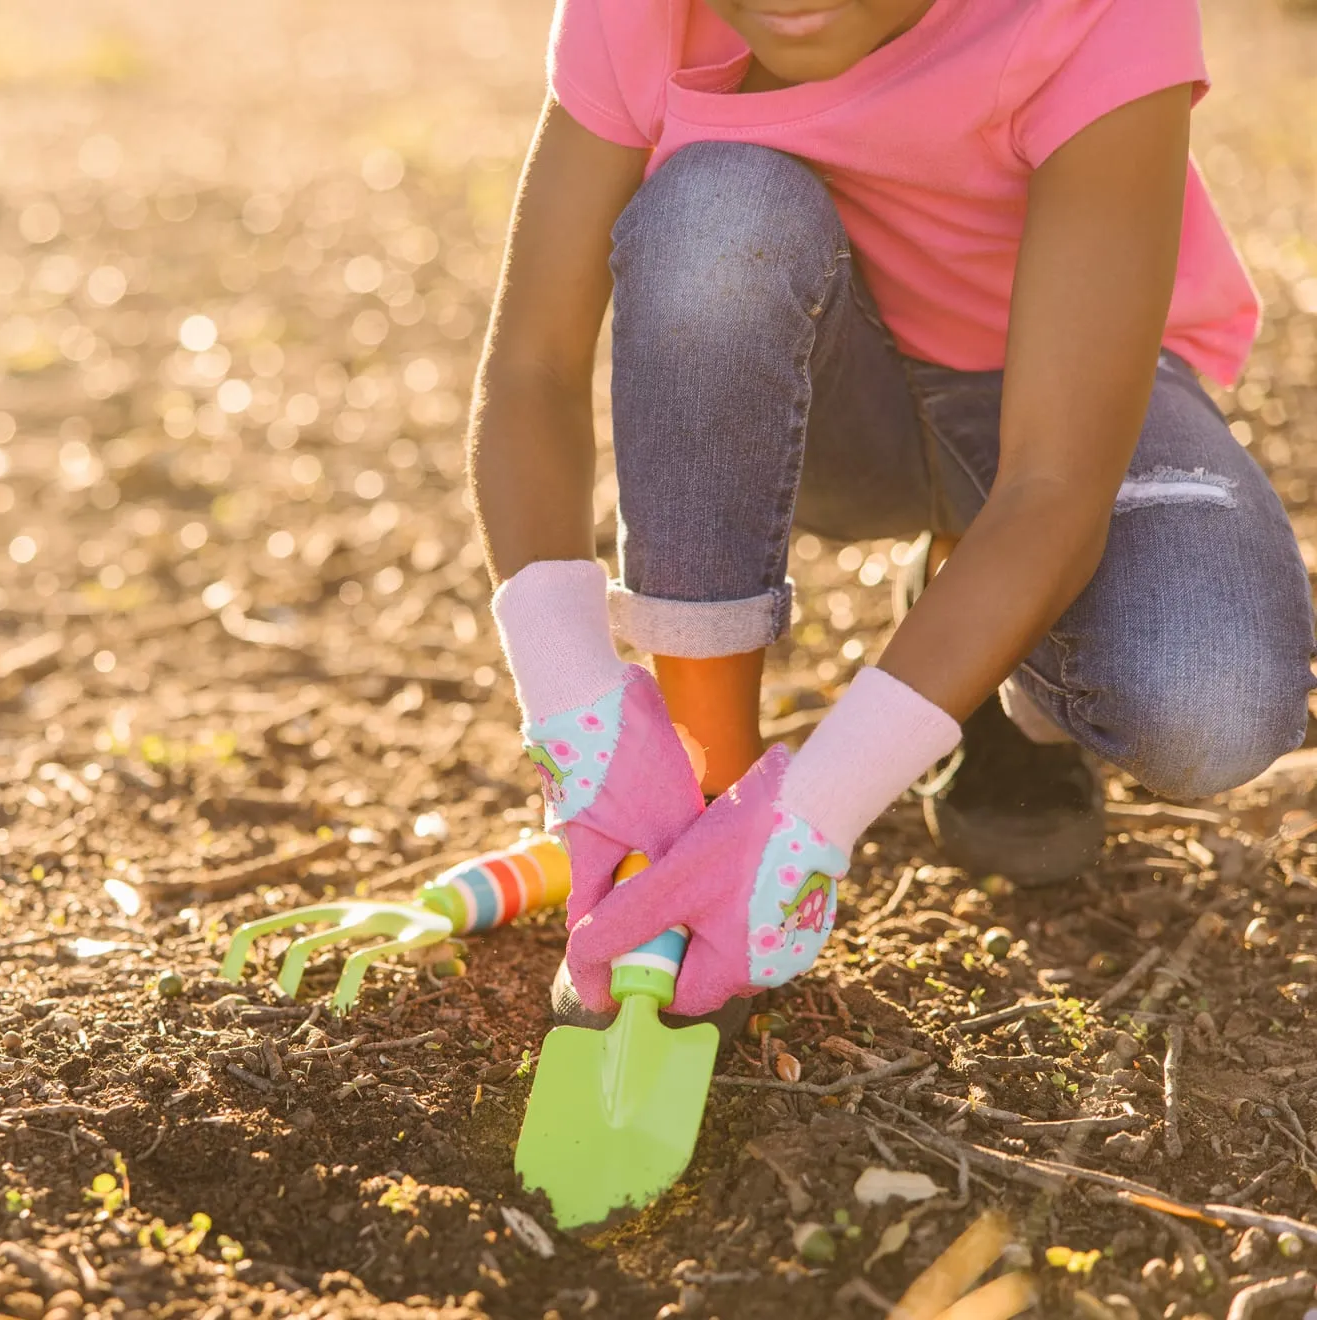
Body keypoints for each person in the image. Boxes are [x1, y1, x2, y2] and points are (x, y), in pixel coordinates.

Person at [468, 0, 1315, 1026]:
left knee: (1210, 701)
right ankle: (698, 804)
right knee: (717, 211)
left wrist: (813, 816)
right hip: (828, 408)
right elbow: (530, 366)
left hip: (1054, 407)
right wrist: (575, 706)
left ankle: (994, 659)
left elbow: (1054, 483)